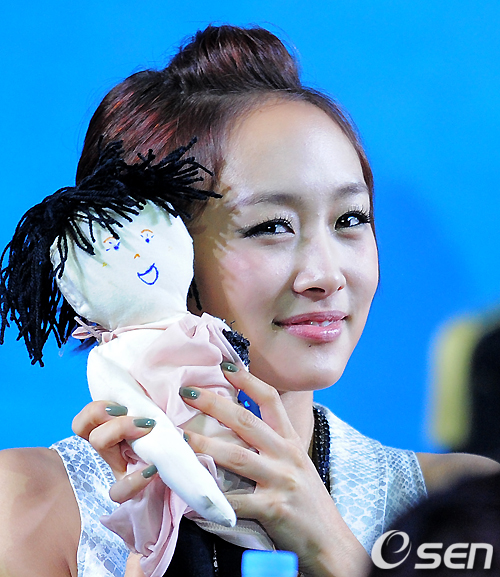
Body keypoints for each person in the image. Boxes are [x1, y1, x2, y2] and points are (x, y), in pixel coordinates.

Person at [0, 24, 498, 577]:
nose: (325, 275)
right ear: (161, 248)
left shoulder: (464, 509)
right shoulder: (28, 507)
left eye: (350, 219)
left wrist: (335, 552)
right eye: (271, 227)